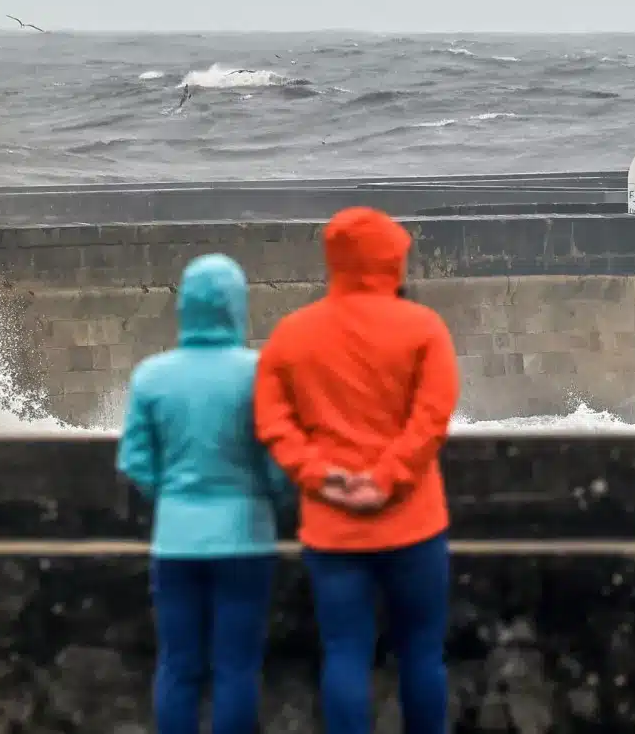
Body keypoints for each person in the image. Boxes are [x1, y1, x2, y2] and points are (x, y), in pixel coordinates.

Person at [253, 206, 461, 734]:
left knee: (344, 653)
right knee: (421, 655)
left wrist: (323, 475)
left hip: (332, 526)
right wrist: (386, 478)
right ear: (394, 259)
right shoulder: (423, 328)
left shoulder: (292, 334)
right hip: (413, 523)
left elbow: (273, 423)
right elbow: (431, 418)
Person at [116, 253, 292, 734]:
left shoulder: (152, 376)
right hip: (245, 539)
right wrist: (270, 499)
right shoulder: (261, 373)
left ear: (185, 308)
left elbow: (134, 461)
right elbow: (281, 460)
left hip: (175, 540)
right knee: (235, 667)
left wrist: (170, 496)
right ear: (238, 307)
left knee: (178, 664)